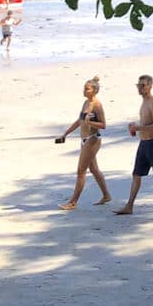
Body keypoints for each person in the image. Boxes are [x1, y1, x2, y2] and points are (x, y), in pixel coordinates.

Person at [114, 74, 153, 214]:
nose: (140, 88)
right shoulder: (143, 102)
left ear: (150, 86)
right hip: (143, 143)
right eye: (139, 85)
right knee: (136, 174)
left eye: (143, 85)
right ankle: (129, 206)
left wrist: (138, 128)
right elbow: (146, 122)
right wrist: (136, 126)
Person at [55, 75, 111, 210]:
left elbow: (103, 125)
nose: (84, 91)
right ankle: (106, 195)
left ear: (94, 91)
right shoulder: (86, 103)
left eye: (87, 89)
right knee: (94, 169)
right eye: (84, 88)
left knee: (81, 171)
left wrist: (90, 122)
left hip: (93, 139)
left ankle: (73, 202)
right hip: (84, 139)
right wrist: (66, 134)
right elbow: (79, 121)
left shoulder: (97, 105)